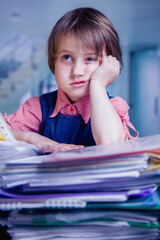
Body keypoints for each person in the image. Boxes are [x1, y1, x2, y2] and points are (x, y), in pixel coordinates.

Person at [4, 7, 138, 152]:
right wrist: (33, 138)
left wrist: (98, 83)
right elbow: (4, 134)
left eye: (90, 59)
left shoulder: (114, 106)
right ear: (54, 62)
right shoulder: (39, 107)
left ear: (108, 64)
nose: (77, 71)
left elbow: (109, 142)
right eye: (67, 57)